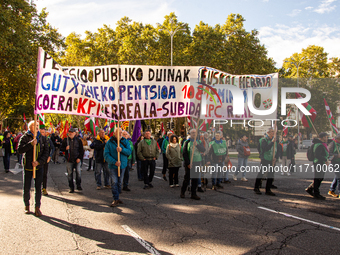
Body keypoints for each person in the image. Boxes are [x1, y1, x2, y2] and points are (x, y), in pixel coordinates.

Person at [18, 121, 49, 216]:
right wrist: (30, 144)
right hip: (28, 167)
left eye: (37, 126)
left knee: (38, 188)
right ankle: (27, 206)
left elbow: (46, 152)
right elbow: (20, 150)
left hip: (38, 167)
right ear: (30, 127)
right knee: (26, 187)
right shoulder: (25, 137)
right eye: (34, 125)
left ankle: (37, 207)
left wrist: (38, 162)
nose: (36, 127)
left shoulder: (43, 138)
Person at [104, 128, 132, 207]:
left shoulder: (125, 141)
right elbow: (106, 155)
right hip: (113, 166)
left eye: (121, 132)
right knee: (114, 182)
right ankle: (115, 198)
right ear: (114, 133)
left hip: (122, 166)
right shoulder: (109, 142)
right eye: (118, 132)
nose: (120, 134)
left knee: (119, 183)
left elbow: (129, 152)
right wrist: (114, 162)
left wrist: (122, 149)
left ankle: (117, 196)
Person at [181, 129, 205, 200]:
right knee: (187, 178)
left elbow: (203, 150)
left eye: (195, 133)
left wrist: (197, 145)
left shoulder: (199, 142)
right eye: (192, 133)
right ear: (190, 134)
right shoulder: (186, 142)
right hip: (189, 163)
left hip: (197, 162)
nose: (194, 134)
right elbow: (184, 153)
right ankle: (182, 192)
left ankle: (193, 193)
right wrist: (188, 163)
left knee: (195, 179)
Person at [254, 128, 279, 196]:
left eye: (273, 131)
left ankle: (268, 189)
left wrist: (275, 157)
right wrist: (271, 142)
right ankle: (256, 188)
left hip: (272, 160)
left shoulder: (275, 140)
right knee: (261, 174)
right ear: (268, 132)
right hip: (265, 159)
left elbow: (277, 149)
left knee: (271, 175)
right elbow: (265, 149)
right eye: (271, 132)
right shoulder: (264, 140)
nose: (273, 133)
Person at [305, 132, 329, 200]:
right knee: (318, 178)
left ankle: (310, 189)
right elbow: (317, 155)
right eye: (326, 137)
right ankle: (316, 193)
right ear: (323, 137)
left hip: (320, 162)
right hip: (319, 163)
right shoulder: (319, 145)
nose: (327, 138)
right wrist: (325, 159)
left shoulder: (319, 144)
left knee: (319, 178)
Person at [60, 128, 84, 193]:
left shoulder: (79, 140)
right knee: (70, 174)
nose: (70, 133)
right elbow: (61, 148)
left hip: (77, 159)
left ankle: (78, 185)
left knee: (78, 172)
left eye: (72, 132)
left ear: (75, 133)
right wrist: (65, 148)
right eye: (69, 132)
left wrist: (79, 158)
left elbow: (81, 150)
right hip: (69, 160)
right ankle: (71, 187)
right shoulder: (65, 140)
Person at [40, 128, 53, 196]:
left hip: (45, 160)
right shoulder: (36, 139)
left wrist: (50, 156)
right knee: (37, 175)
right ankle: (38, 188)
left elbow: (52, 148)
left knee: (44, 174)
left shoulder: (48, 140)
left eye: (43, 132)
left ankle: (44, 188)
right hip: (38, 160)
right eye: (41, 132)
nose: (42, 134)